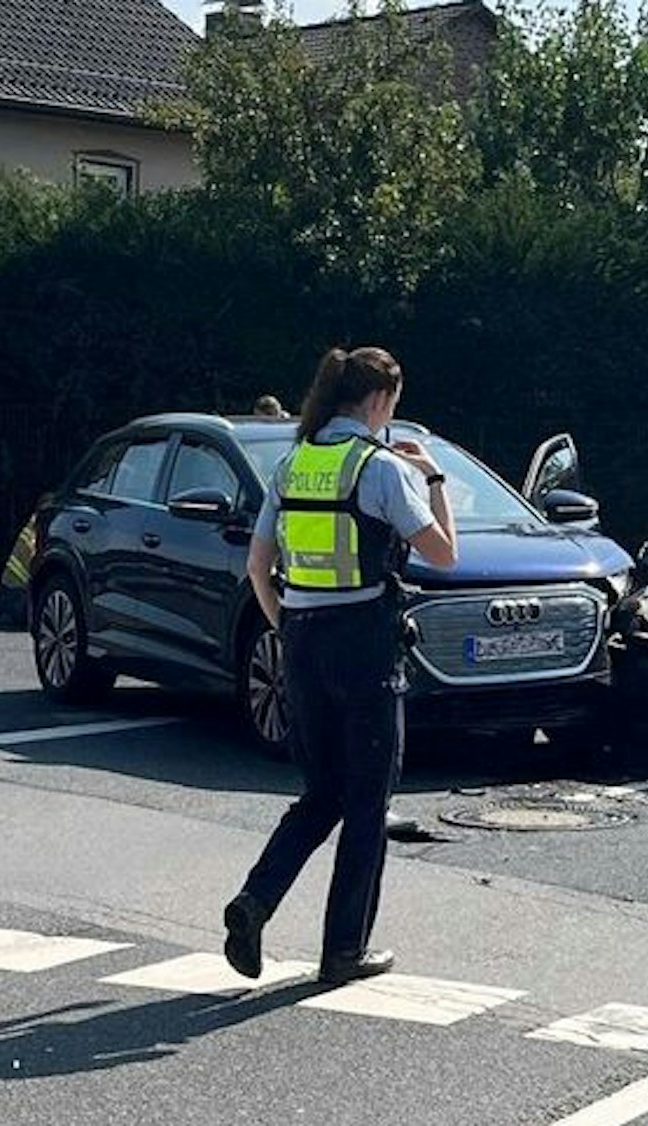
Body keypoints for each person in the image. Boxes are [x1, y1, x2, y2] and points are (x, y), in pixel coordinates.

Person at [223, 346, 458, 984]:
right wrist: (432, 477)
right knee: (366, 802)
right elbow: (443, 555)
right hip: (363, 645)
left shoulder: (294, 462)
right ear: (382, 401)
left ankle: (254, 902)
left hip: (300, 641)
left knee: (321, 792)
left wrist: (289, 627)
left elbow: (255, 568)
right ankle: (343, 951)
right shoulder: (378, 468)